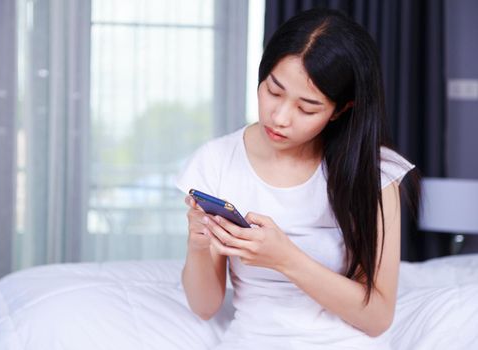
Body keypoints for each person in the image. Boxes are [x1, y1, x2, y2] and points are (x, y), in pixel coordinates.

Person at [175, 8, 419, 349]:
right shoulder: (217, 161)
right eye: (273, 91)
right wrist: (199, 244)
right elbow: (204, 307)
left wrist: (285, 258)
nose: (279, 117)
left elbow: (377, 317)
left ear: (341, 109)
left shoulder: (374, 172)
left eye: (307, 108)